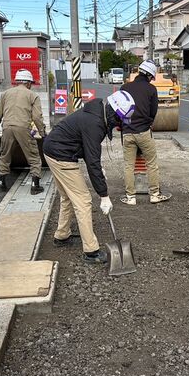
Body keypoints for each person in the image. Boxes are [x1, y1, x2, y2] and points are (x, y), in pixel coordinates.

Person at [42, 90, 135, 264]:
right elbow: (91, 161)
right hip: (61, 155)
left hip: (52, 149)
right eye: (119, 120)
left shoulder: (98, 112)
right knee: (83, 200)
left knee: (67, 197)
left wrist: (98, 168)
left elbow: (89, 152)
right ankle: (91, 251)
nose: (118, 126)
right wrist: (104, 195)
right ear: (114, 114)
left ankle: (62, 235)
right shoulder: (95, 123)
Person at [118, 60, 171, 205]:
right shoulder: (151, 89)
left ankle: (130, 197)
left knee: (129, 166)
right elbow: (153, 112)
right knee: (152, 163)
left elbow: (118, 110)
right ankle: (154, 194)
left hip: (127, 132)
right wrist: (147, 122)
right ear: (149, 75)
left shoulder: (124, 87)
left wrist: (121, 125)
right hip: (143, 132)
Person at [0, 68, 45, 194]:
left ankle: (2, 182)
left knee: (5, 155)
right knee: (34, 156)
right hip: (23, 127)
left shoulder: (6, 94)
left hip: (7, 127)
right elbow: (36, 117)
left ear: (17, 81)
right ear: (28, 83)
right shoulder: (33, 95)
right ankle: (35, 185)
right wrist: (42, 133)